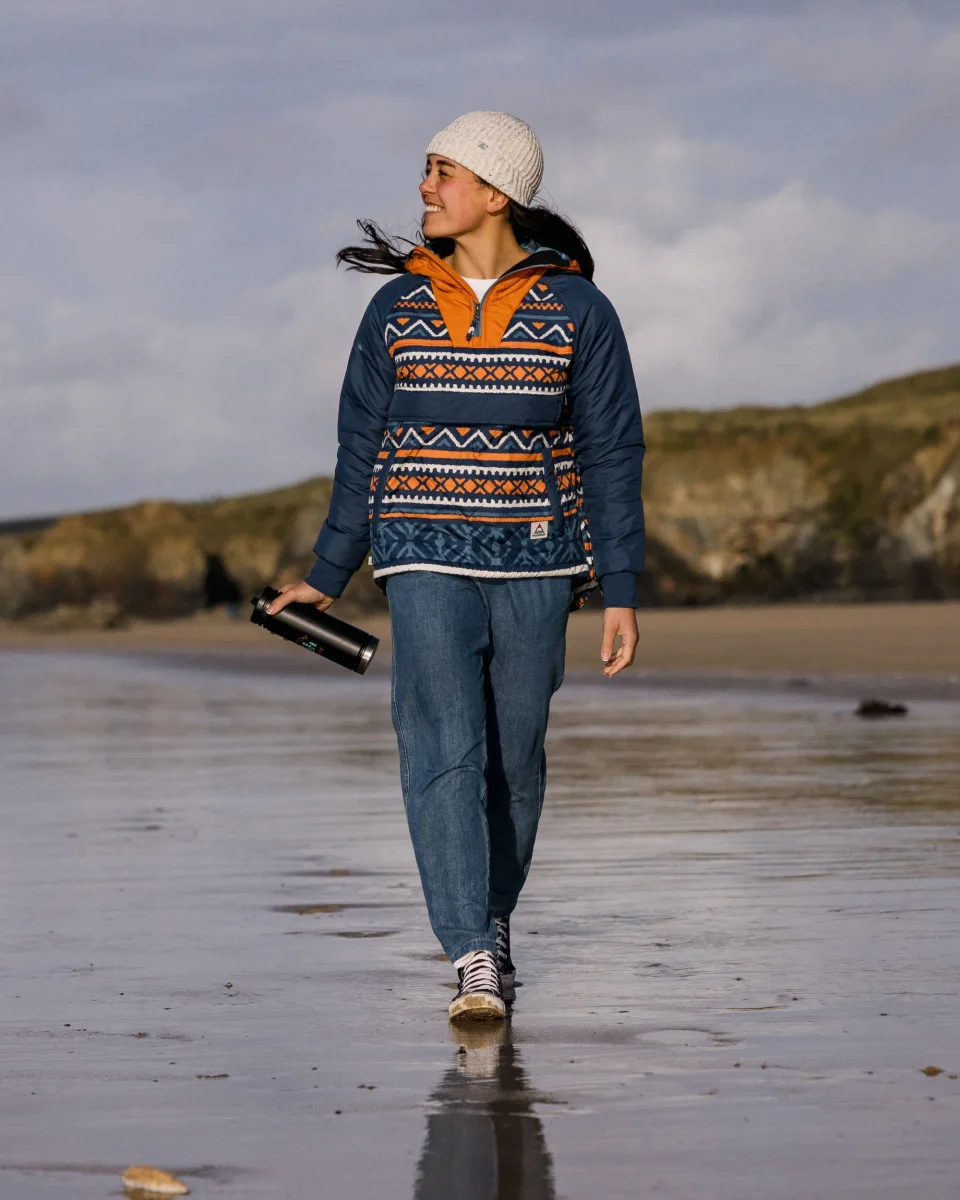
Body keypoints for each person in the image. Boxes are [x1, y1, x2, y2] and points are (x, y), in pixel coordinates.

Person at [268, 111, 645, 1022]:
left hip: (538, 559)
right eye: (427, 169)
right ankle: (471, 951)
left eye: (443, 172)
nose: (425, 187)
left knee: (516, 759)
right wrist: (327, 574)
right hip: (419, 550)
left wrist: (621, 588)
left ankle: (495, 917)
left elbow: (611, 452)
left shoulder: (580, 311)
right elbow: (361, 447)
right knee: (442, 747)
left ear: (496, 191)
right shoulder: (394, 309)